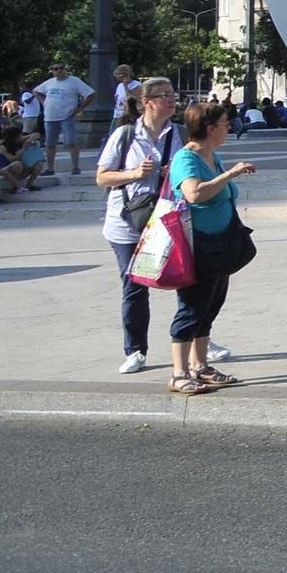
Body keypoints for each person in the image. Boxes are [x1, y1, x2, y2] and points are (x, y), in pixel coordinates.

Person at [167, 101, 256, 395]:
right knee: (191, 307)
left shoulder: (210, 156)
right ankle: (179, 373)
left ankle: (200, 366)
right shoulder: (186, 158)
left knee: (209, 306)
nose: (228, 127)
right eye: (224, 123)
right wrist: (230, 174)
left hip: (221, 243)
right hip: (198, 246)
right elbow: (194, 193)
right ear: (209, 128)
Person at [96, 77, 180, 375]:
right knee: (134, 285)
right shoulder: (125, 134)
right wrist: (134, 173)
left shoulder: (176, 133)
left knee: (185, 279)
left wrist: (174, 173)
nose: (172, 100)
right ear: (148, 102)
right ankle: (135, 350)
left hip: (164, 219)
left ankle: (197, 340)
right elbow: (102, 177)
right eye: (165, 95)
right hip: (125, 222)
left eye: (174, 94)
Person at [34, 61, 94, 177]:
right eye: (55, 69)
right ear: (52, 71)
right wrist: (44, 102)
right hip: (50, 117)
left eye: (61, 68)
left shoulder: (74, 81)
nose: (59, 70)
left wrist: (79, 109)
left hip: (67, 116)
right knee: (50, 143)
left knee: (71, 141)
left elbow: (91, 94)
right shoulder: (49, 83)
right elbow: (36, 91)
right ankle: (50, 168)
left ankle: (75, 167)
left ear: (65, 69)